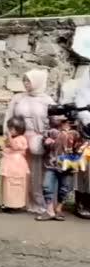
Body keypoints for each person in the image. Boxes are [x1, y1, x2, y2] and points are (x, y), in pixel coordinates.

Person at [3, 70, 52, 213]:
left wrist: (48, 138)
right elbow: (9, 117)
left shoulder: (47, 100)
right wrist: (7, 137)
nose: (26, 84)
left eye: (29, 81)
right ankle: (17, 201)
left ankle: (39, 201)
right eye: (24, 80)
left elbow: (54, 121)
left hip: (38, 141)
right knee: (18, 173)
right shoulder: (18, 98)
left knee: (37, 173)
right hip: (19, 142)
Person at [37, 112, 82, 222]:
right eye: (62, 121)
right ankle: (49, 210)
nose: (64, 124)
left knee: (64, 188)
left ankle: (59, 208)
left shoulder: (75, 134)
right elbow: (45, 143)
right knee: (47, 186)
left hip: (68, 165)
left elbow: (79, 148)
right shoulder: (51, 132)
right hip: (51, 164)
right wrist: (47, 142)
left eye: (66, 121)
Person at [0, 115, 30, 211]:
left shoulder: (21, 139)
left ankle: (16, 204)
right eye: (10, 128)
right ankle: (6, 202)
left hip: (16, 163)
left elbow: (15, 147)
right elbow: (6, 146)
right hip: (9, 162)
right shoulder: (11, 138)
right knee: (7, 183)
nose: (10, 130)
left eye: (12, 129)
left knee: (16, 184)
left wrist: (9, 139)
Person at [74, 70, 90, 218]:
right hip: (87, 135)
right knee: (85, 171)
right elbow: (81, 109)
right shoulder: (84, 90)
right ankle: (82, 203)